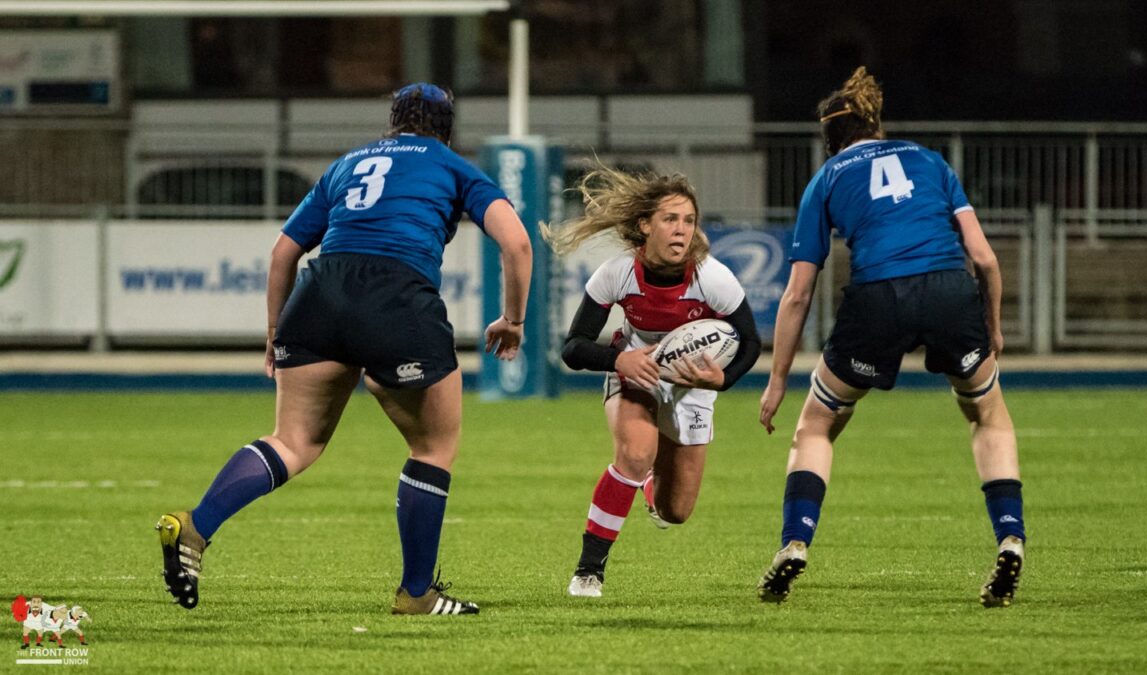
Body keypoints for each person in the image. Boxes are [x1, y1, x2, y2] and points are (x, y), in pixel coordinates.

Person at [155, 83, 532, 616]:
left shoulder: (347, 163)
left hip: (318, 294)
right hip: (396, 293)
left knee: (294, 441)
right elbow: (516, 243)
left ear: (392, 120)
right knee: (432, 449)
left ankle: (195, 527)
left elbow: (285, 250)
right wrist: (513, 320)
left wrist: (275, 332)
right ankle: (417, 594)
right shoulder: (451, 165)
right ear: (447, 128)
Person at [755, 67, 1026, 608]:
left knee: (817, 425)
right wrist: (991, 326)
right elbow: (985, 259)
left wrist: (777, 379)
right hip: (950, 291)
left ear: (830, 139)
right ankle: (1011, 536)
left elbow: (798, 294)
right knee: (987, 415)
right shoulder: (930, 161)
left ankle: (795, 542)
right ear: (877, 124)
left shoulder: (827, 178)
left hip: (878, 296)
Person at [542, 167, 763, 597]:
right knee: (636, 453)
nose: (681, 230)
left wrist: (722, 381)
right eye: (670, 219)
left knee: (676, 511)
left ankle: (649, 485)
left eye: (688, 221)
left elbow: (751, 342)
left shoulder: (712, 278)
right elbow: (573, 347)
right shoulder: (618, 272)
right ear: (645, 225)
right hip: (636, 370)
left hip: (692, 383)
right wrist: (619, 359)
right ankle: (589, 571)